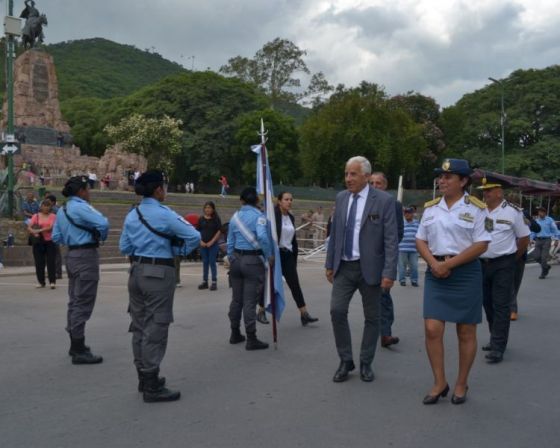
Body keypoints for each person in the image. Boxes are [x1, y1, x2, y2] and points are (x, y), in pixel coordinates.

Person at [120, 170, 200, 403]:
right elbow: (193, 236)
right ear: (158, 190)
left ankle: (143, 376)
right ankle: (151, 384)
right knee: (156, 326)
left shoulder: (132, 214)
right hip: (158, 273)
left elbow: (125, 247)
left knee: (138, 325)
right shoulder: (164, 214)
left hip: (135, 272)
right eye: (163, 186)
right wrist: (178, 252)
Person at [416, 159, 491, 405]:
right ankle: (440, 382)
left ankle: (461, 382)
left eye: (449, 177)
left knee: (466, 331)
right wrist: (435, 264)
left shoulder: (477, 208)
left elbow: (481, 243)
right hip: (435, 272)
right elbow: (420, 240)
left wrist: (448, 265)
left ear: (463, 181)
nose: (442, 181)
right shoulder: (431, 208)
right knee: (432, 329)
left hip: (465, 273)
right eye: (440, 176)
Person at [326, 156, 398, 383]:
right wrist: (329, 263)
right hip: (344, 267)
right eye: (346, 174)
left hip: (371, 269)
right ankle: (345, 360)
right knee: (337, 311)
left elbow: (390, 240)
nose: (348, 179)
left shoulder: (384, 201)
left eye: (353, 174)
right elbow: (335, 234)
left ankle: (366, 362)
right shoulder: (341, 198)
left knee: (372, 317)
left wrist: (389, 272)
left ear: (366, 176)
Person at [52, 175, 110, 365]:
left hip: (71, 256)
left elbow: (56, 236)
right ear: (81, 191)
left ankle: (74, 343)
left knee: (74, 300)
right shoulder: (81, 206)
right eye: (88, 189)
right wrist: (98, 236)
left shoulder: (63, 209)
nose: (89, 192)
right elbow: (103, 223)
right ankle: (78, 349)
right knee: (83, 301)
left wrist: (72, 239)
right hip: (85, 255)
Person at [477, 180, 530, 364]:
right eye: (484, 191)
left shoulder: (513, 212)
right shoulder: (480, 211)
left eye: (489, 191)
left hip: (503, 264)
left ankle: (498, 346)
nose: (486, 194)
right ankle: (494, 337)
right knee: (487, 303)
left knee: (501, 305)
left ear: (499, 192)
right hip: (482, 263)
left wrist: (512, 258)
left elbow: (524, 238)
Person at [227, 187, 272, 350]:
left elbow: (230, 242)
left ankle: (234, 333)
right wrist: (269, 255)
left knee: (236, 299)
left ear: (241, 201)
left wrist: (232, 259)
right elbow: (261, 236)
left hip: (236, 261)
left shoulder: (234, 217)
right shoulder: (260, 217)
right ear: (257, 202)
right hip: (253, 261)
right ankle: (251, 338)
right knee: (249, 302)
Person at [369, 171, 404, 348]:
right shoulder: (364, 203)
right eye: (372, 183)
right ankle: (375, 330)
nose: (375, 187)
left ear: (386, 185)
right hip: (365, 260)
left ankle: (385, 333)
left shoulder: (395, 205)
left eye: (379, 183)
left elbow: (399, 233)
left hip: (383, 259)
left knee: (383, 296)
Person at [274, 191, 319, 325]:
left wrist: (294, 255)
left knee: (295, 285)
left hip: (288, 255)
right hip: (276, 255)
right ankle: (260, 310)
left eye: (291, 199)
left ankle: (304, 313)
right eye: (286, 199)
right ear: (279, 201)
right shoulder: (274, 216)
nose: (289, 202)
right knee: (269, 284)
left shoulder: (291, 217)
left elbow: (292, 238)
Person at [510, 209, 541, 320]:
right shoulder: (500, 212)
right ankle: (512, 309)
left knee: (516, 281)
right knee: (508, 282)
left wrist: (528, 222)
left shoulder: (524, 213)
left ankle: (510, 305)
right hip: (505, 253)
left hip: (520, 253)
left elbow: (537, 228)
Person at [27, 199, 57, 289]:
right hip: (38, 241)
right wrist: (33, 232)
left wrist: (39, 230)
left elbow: (50, 227)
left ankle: (52, 281)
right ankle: (41, 282)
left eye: (48, 206)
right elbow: (29, 227)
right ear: (41, 206)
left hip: (50, 241)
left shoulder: (53, 216)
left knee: (51, 261)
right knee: (39, 262)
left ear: (50, 207)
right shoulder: (36, 216)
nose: (46, 207)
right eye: (44, 205)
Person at [197, 201, 222, 291]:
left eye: (209, 208)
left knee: (212, 262)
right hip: (203, 244)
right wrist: (201, 241)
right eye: (206, 207)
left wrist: (212, 241)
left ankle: (214, 282)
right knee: (205, 262)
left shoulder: (216, 219)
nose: (207, 209)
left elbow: (219, 231)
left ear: (213, 209)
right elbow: (197, 231)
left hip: (213, 244)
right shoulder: (201, 219)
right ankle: (205, 281)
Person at [532, 206, 559, 279]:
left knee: (544, 258)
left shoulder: (549, 220)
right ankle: (546, 266)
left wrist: (556, 239)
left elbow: (555, 230)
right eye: (539, 212)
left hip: (547, 240)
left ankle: (543, 272)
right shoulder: (536, 221)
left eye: (541, 212)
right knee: (536, 257)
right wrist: (530, 239)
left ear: (545, 213)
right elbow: (534, 231)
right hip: (538, 240)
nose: (540, 213)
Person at [398, 207, 420, 287]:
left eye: (409, 213)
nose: (407, 214)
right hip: (402, 248)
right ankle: (402, 280)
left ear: (412, 214)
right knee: (402, 266)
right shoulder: (400, 223)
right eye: (405, 213)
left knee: (414, 266)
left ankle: (414, 280)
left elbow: (420, 235)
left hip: (414, 249)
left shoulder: (417, 223)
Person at [47, 193, 63, 279]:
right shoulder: (47, 210)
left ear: (53, 202)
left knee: (56, 255)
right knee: (51, 255)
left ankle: (58, 273)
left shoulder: (56, 210)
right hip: (48, 234)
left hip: (54, 234)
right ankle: (53, 272)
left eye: (48, 201)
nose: (46, 203)